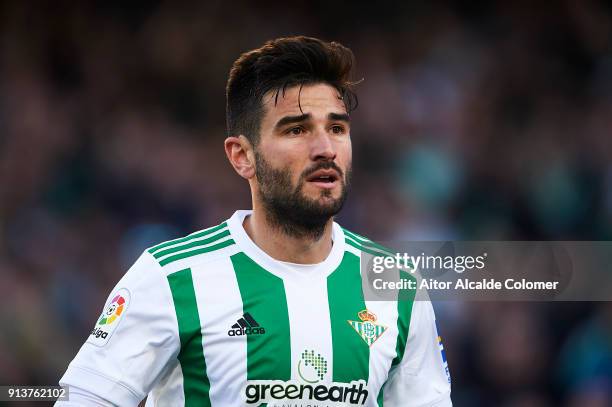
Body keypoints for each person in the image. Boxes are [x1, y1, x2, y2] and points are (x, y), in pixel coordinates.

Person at [56, 36, 452, 406]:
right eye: (297, 129)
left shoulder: (397, 285)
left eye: (336, 128)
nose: (325, 148)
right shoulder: (172, 278)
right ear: (241, 156)